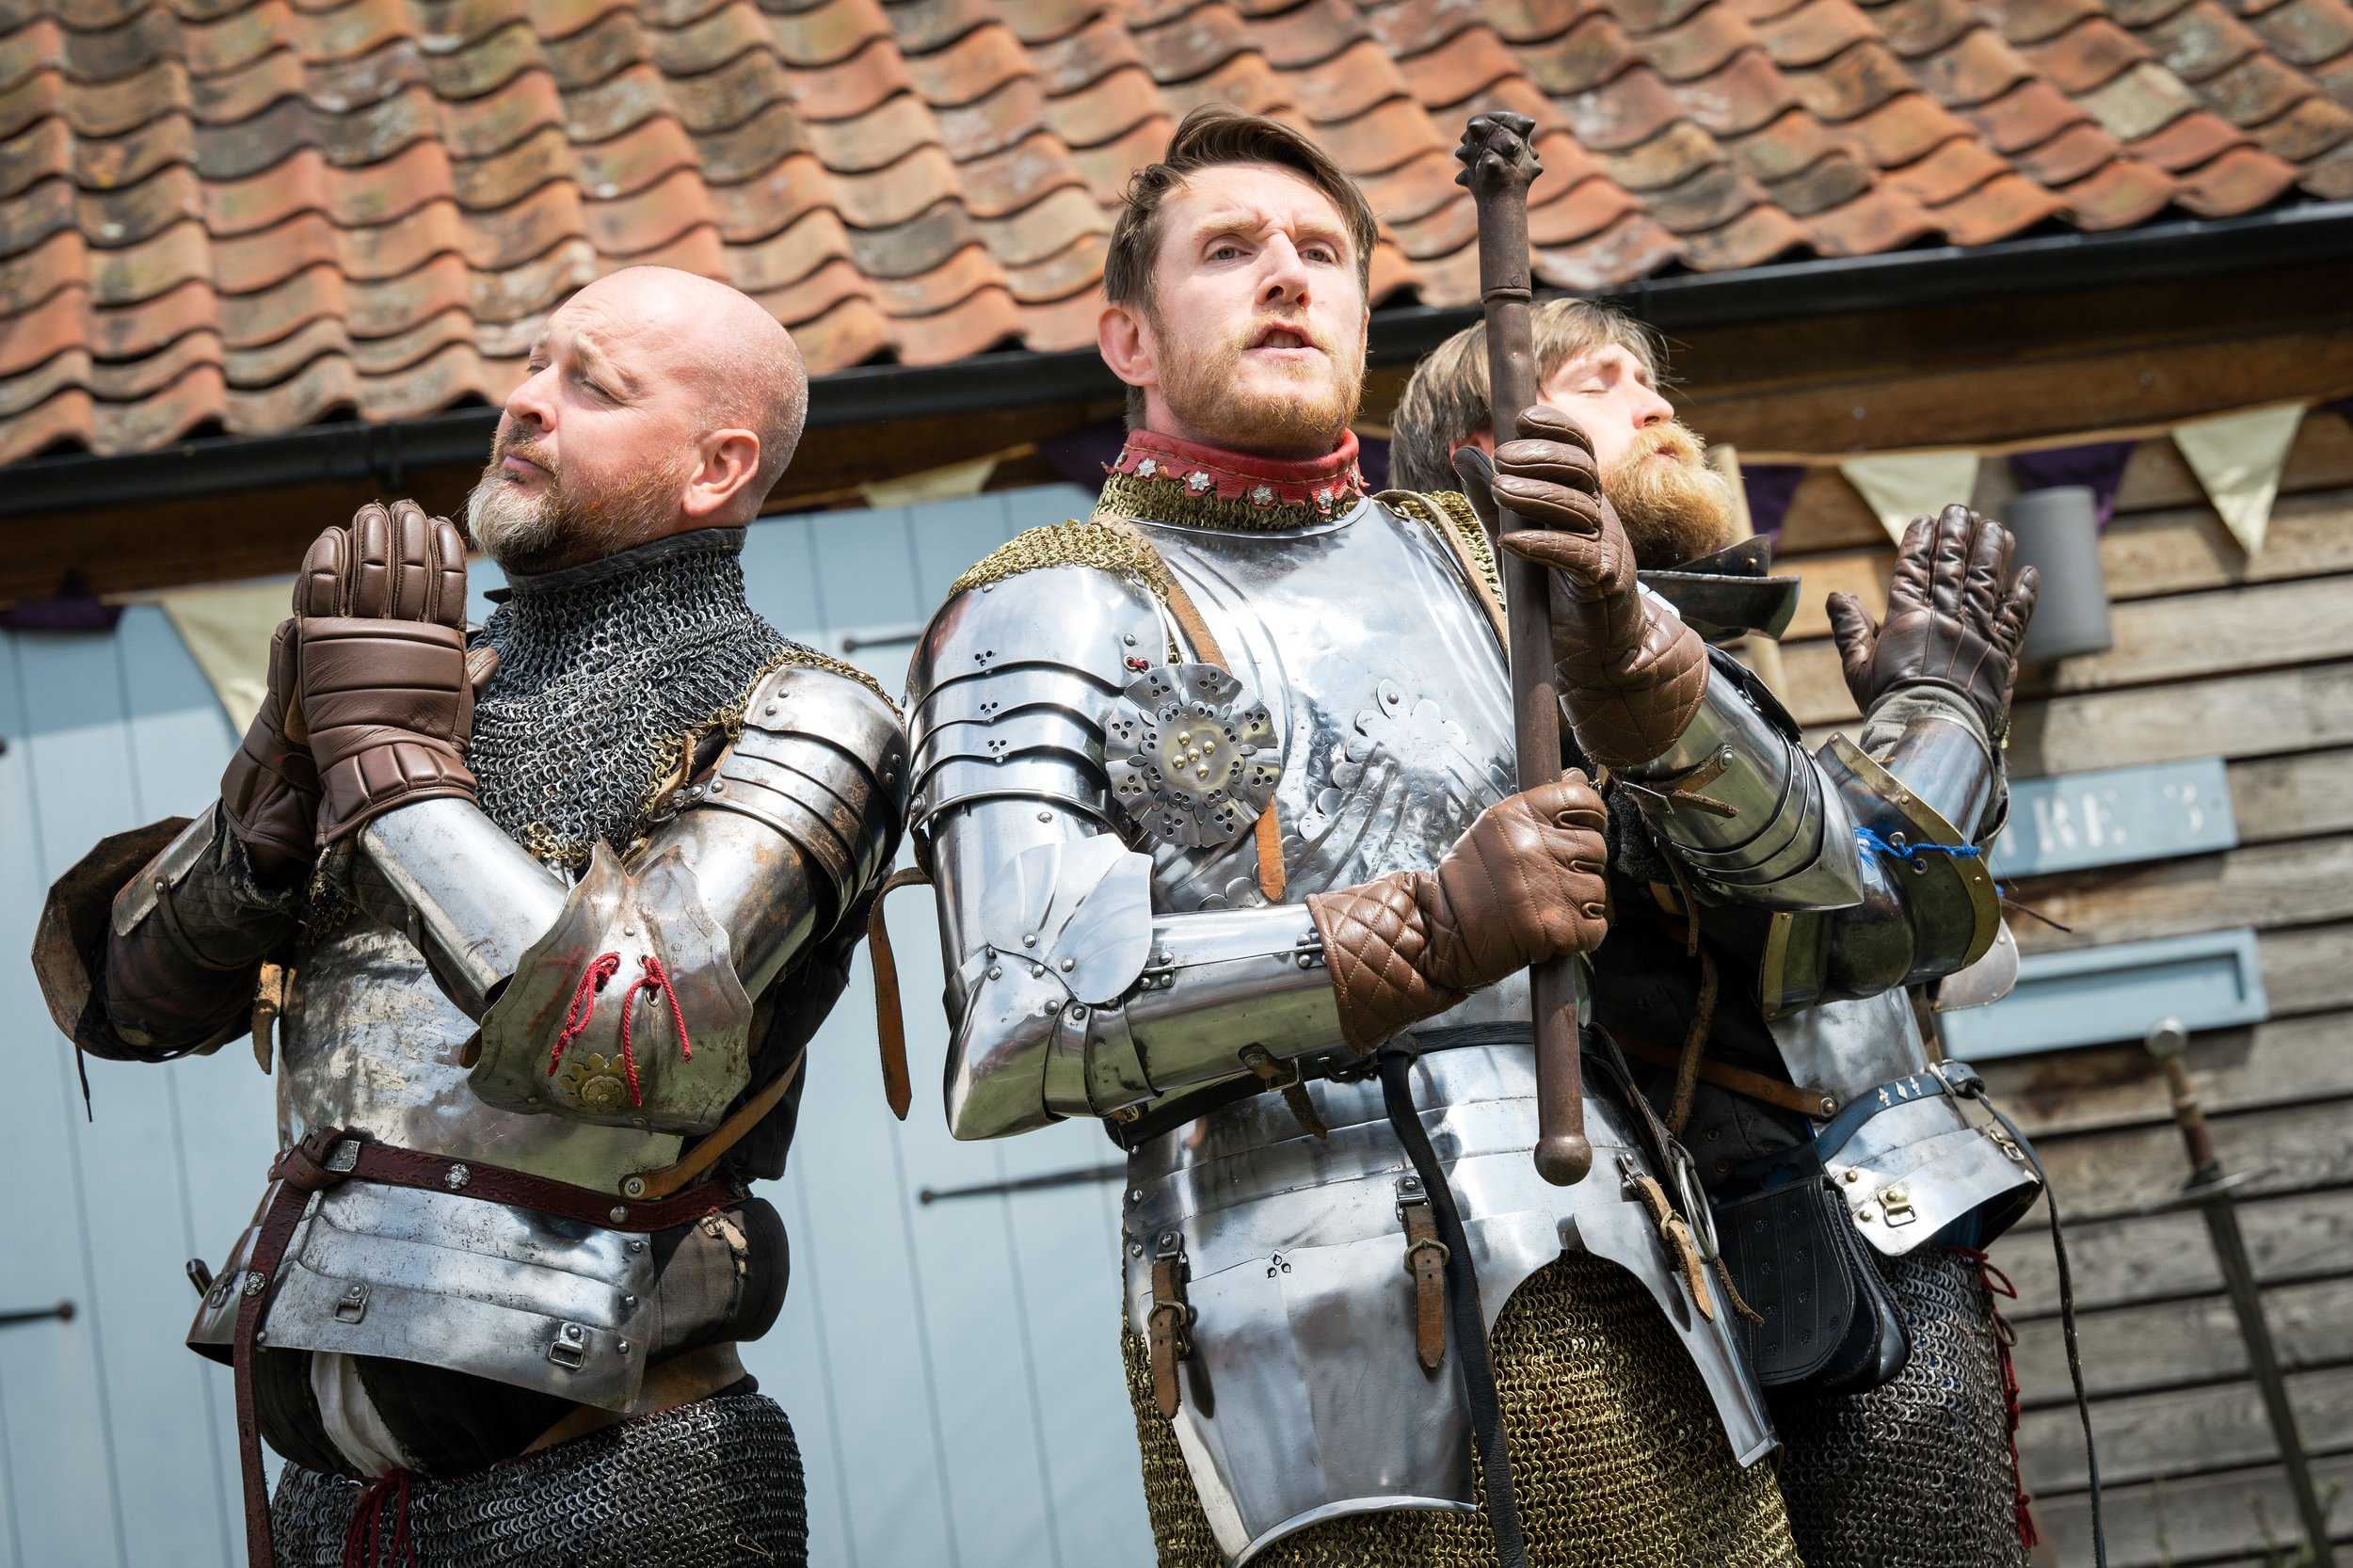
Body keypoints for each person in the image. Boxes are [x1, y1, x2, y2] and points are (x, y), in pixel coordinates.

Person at [898, 105, 2036, 1566]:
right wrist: (1427, 929)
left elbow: (1837, 889)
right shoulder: (1044, 601)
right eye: (1229, 250)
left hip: (1640, 1292)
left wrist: (1641, 668)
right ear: (1127, 336)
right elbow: (1016, 1029)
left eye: (1321, 252)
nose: (1287, 278)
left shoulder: (1478, 565)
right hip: (1297, 1340)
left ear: (1368, 317)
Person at [33, 266, 904, 1567]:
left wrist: (390, 776)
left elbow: (637, 1036)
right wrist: (265, 800)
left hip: (621, 1479)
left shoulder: (809, 716)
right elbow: (123, 1003)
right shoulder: (426, 677)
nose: (525, 403)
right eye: (533, 365)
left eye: (590, 384)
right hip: (328, 1508)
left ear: (717, 466)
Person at [1393, 297, 2049, 1568]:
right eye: (1603, 382)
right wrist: (1941, 721)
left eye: (1656, 381)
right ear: (1492, 454)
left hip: (1865, 1240)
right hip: (1757, 1272)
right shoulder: (1521, 696)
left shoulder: (1682, 654)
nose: (1658, 408)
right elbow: (1849, 914)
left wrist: (1944, 744)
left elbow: (1912, 952)